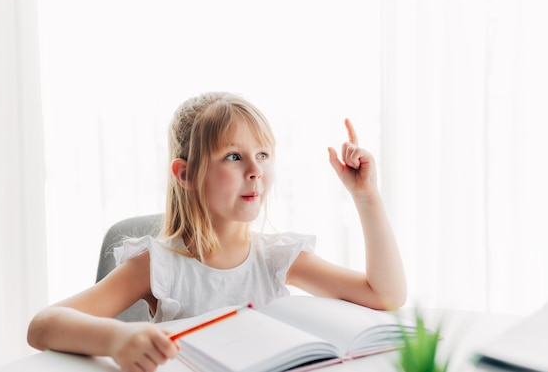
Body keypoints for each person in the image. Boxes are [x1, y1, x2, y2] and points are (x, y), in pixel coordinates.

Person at [27, 92, 407, 372]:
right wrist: (117, 338)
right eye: (233, 156)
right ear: (186, 174)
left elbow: (386, 295)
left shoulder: (277, 259)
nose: (255, 169)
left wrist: (366, 196)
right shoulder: (160, 266)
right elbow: (43, 325)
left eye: (262, 154)